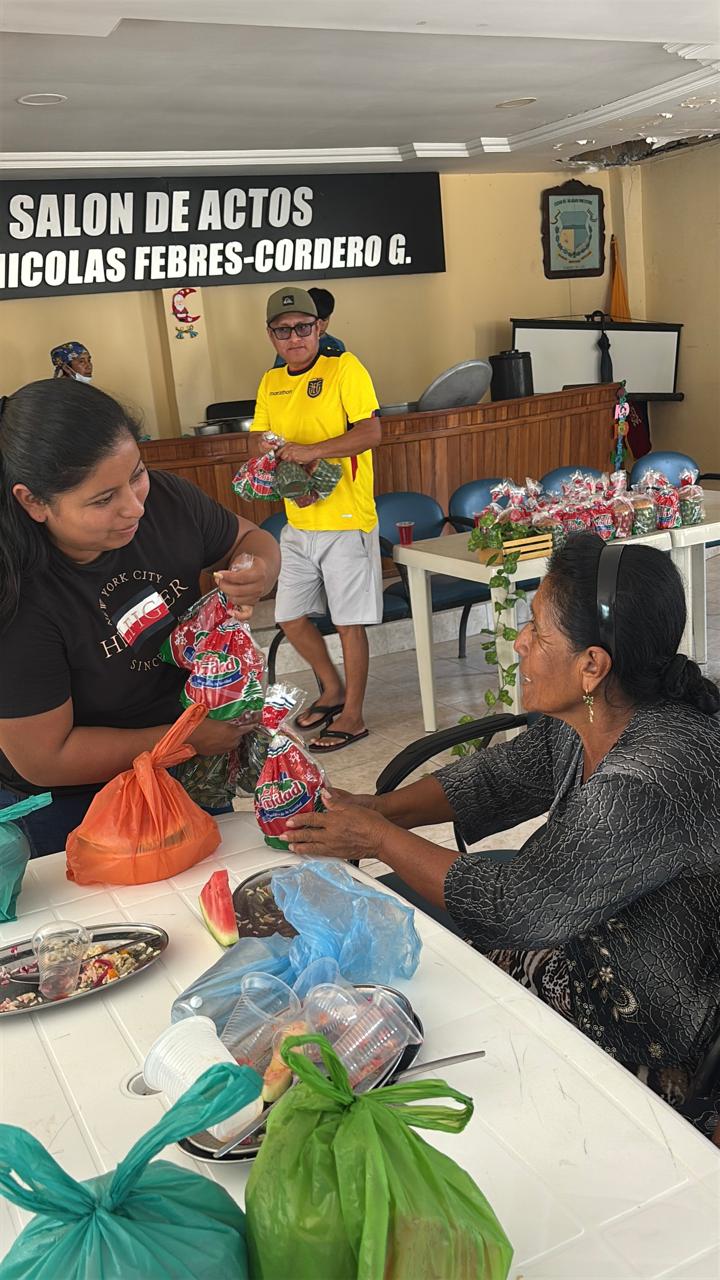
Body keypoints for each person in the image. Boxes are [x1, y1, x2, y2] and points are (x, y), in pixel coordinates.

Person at [281, 534, 720, 1137]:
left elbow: (513, 908)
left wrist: (378, 838)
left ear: (592, 665)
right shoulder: (601, 712)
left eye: (537, 630)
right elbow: (502, 776)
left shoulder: (646, 778)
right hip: (575, 928)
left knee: (414, 1016)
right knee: (391, 959)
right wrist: (377, 809)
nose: (519, 641)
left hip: (641, 1016)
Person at [0, 379, 280, 856]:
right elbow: (47, 757)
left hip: (188, 763)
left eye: (137, 475)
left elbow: (247, 538)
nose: (134, 507)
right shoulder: (17, 594)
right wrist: (185, 737)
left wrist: (256, 570)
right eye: (102, 499)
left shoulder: (166, 500)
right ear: (34, 502)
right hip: (76, 800)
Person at [252, 285, 382, 753]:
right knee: (288, 616)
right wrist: (270, 455)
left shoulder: (344, 368)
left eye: (303, 327)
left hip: (347, 520)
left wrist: (311, 452)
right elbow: (260, 435)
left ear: (319, 327)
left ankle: (353, 716)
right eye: (283, 331)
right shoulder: (271, 381)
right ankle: (332, 689)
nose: (294, 338)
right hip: (299, 521)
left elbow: (371, 432)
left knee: (349, 624)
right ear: (271, 335)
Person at [272, 287, 345, 368]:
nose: (320, 325)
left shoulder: (336, 345)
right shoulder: (292, 345)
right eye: (315, 320)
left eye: (324, 319)